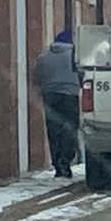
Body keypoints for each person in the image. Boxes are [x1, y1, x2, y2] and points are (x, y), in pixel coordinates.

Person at [33, 30, 81, 178]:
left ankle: (57, 164)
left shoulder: (44, 56)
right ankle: (65, 159)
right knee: (70, 128)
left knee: (53, 131)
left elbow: (37, 76)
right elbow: (82, 73)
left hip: (50, 97)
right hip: (69, 96)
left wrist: (43, 90)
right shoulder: (74, 55)